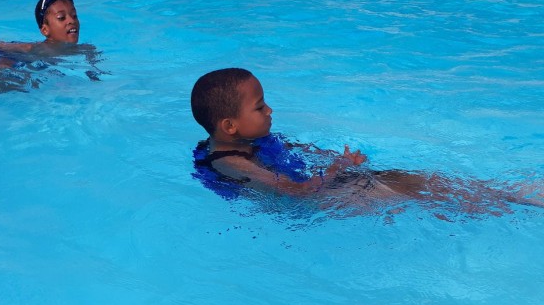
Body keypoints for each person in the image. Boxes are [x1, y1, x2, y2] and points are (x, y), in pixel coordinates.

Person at [190, 68, 543, 216]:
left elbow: (297, 154)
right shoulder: (229, 163)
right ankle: (506, 207)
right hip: (314, 203)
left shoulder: (257, 138)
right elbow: (293, 193)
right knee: (418, 202)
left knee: (421, 180)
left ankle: (512, 193)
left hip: (329, 183)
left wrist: (336, 160)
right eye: (260, 106)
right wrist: (334, 170)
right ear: (230, 126)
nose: (270, 110)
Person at [0, 0, 103, 92]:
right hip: (14, 59)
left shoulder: (87, 49)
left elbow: (95, 72)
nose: (71, 20)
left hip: (41, 65)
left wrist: (95, 79)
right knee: (5, 69)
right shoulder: (33, 48)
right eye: (61, 17)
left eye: (74, 15)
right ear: (45, 30)